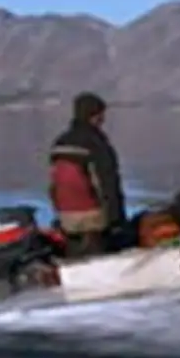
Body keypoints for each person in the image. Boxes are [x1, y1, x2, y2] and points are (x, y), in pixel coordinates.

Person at [48, 92, 131, 258]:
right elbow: (109, 184)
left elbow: (53, 184)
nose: (103, 119)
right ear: (95, 116)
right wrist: (118, 222)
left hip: (66, 218)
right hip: (93, 219)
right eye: (102, 114)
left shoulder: (59, 144)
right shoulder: (97, 143)